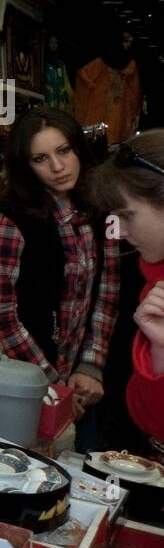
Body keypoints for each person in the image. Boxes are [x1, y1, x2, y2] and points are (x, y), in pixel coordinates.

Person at [0, 108, 119, 450]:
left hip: (81, 380)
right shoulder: (13, 217)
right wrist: (52, 385)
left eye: (64, 151)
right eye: (41, 158)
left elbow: (108, 291)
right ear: (26, 166)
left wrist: (91, 366)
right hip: (21, 384)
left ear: (79, 149)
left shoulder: (101, 209)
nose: (57, 167)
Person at [91, 129, 164, 441]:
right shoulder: (154, 286)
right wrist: (160, 351)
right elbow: (152, 423)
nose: (118, 231)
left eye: (127, 215)